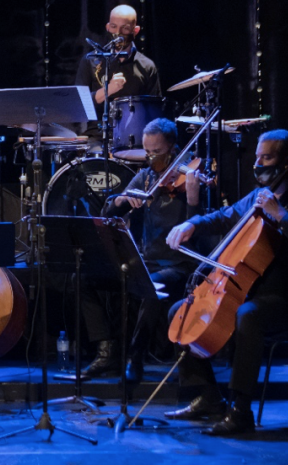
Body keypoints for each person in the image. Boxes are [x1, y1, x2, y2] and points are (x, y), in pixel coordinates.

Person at [163, 129, 288, 436]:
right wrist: (191, 224)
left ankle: (240, 411)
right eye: (256, 158)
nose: (258, 164)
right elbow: (224, 217)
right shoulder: (257, 197)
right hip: (250, 291)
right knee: (179, 311)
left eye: (266, 158)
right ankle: (207, 397)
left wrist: (280, 215)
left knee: (248, 315)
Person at [79, 118, 203, 380]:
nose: (150, 158)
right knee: (85, 279)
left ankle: (135, 357)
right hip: (146, 261)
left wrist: (192, 200)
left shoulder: (190, 177)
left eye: (156, 152)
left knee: (150, 285)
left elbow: (204, 230)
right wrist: (123, 199)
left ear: (172, 146)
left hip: (179, 265)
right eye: (147, 152)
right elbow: (108, 211)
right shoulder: (146, 177)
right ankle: (107, 352)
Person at [73, 4, 161, 141]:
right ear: (107, 27)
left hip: (134, 139)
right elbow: (77, 105)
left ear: (135, 30)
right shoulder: (91, 60)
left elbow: (154, 111)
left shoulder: (147, 66)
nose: (118, 33)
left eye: (125, 28)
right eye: (114, 27)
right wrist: (108, 90)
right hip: (97, 136)